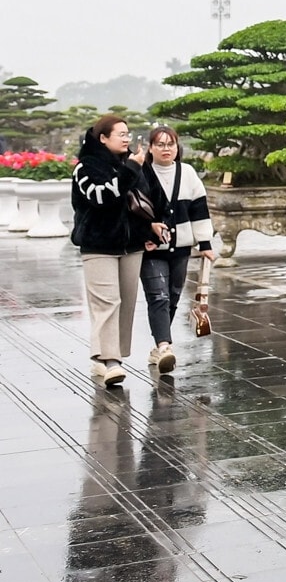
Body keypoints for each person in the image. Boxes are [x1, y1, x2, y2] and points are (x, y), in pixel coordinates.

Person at [71, 115, 168, 386]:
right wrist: (130, 170)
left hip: (132, 246)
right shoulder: (86, 167)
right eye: (120, 134)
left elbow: (151, 200)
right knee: (106, 302)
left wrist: (153, 226)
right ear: (103, 138)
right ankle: (109, 361)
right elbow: (101, 197)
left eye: (128, 133)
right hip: (98, 246)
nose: (127, 138)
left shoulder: (135, 165)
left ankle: (109, 359)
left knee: (125, 303)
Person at [140, 125, 215, 373]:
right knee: (158, 296)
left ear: (177, 147)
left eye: (170, 144)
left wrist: (205, 243)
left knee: (172, 295)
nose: (166, 149)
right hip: (152, 248)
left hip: (181, 246)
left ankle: (159, 346)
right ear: (150, 148)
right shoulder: (142, 173)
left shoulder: (188, 173)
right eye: (160, 144)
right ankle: (165, 346)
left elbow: (199, 209)